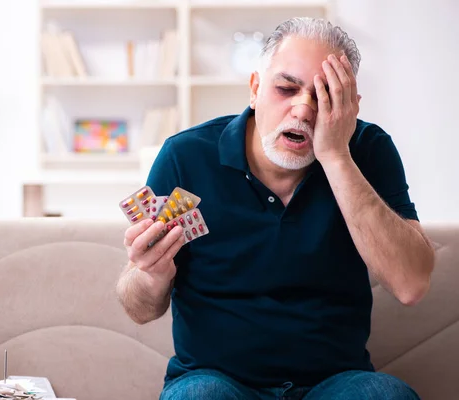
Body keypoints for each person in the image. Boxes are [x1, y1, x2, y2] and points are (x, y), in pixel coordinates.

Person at [116, 17, 435, 400]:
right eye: (286, 88)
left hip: (335, 382)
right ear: (255, 88)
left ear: (350, 108)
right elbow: (139, 308)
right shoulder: (185, 156)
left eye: (325, 96)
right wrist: (150, 275)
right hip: (215, 380)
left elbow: (411, 284)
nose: (302, 110)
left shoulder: (368, 150)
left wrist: (336, 156)